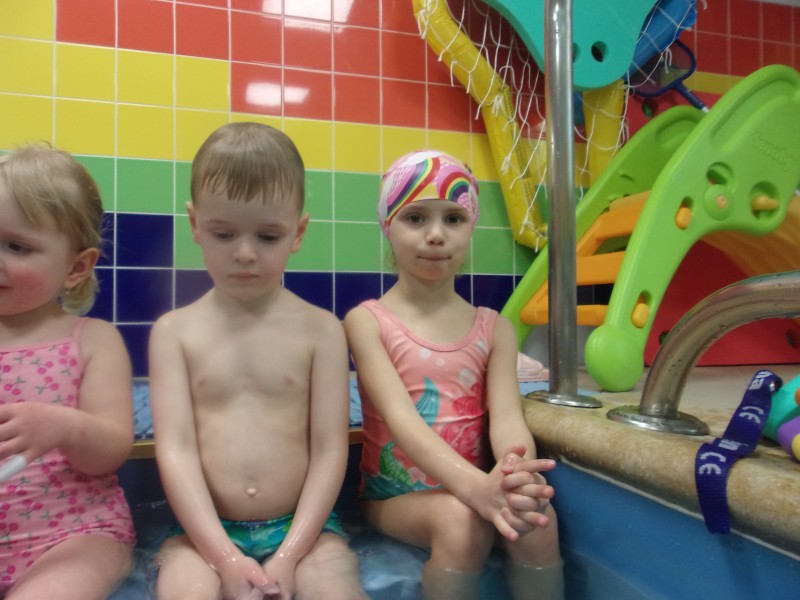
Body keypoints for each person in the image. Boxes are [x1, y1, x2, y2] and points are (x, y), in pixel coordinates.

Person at [149, 122, 366, 600]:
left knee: (335, 588)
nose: (245, 254)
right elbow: (176, 451)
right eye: (223, 233)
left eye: (268, 236)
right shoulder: (174, 334)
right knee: (184, 590)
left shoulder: (322, 331)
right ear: (195, 225)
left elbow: (330, 451)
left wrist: (290, 553)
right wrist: (224, 556)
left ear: (298, 232)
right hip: (203, 530)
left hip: (304, 530)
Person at [344, 150, 565, 600]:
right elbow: (403, 422)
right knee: (460, 521)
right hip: (394, 499)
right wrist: (477, 489)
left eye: (453, 219)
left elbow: (507, 418)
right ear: (388, 226)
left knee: (537, 516)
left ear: (471, 227)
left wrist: (516, 475)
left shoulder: (495, 328)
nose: (436, 234)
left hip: (480, 486)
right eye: (415, 218)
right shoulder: (367, 322)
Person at [0, 145, 136, 598]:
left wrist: (62, 426)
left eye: (16, 246)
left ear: (76, 267)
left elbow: (112, 449)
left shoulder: (92, 339)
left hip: (73, 536)